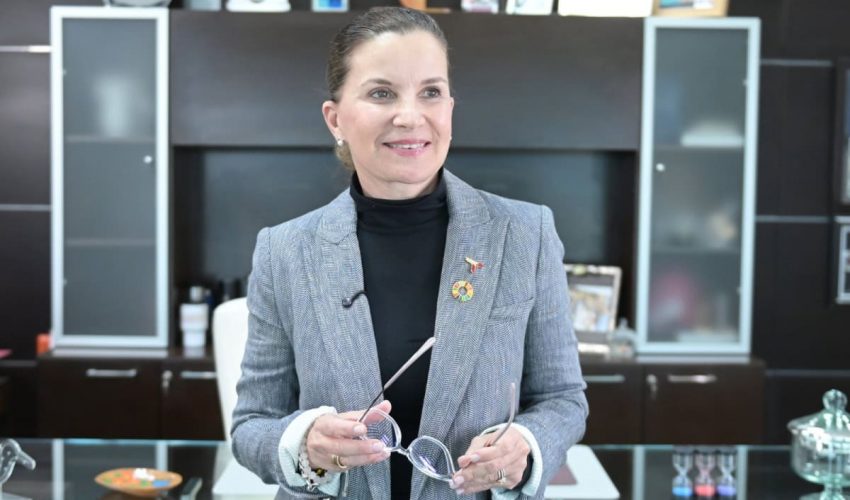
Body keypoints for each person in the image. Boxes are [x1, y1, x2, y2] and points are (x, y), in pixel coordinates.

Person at [231, 6, 588, 499]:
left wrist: (524, 446)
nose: (410, 116)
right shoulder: (284, 251)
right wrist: (305, 444)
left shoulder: (526, 235)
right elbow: (252, 424)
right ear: (335, 119)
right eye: (381, 93)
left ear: (450, 109)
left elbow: (562, 400)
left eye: (430, 93)